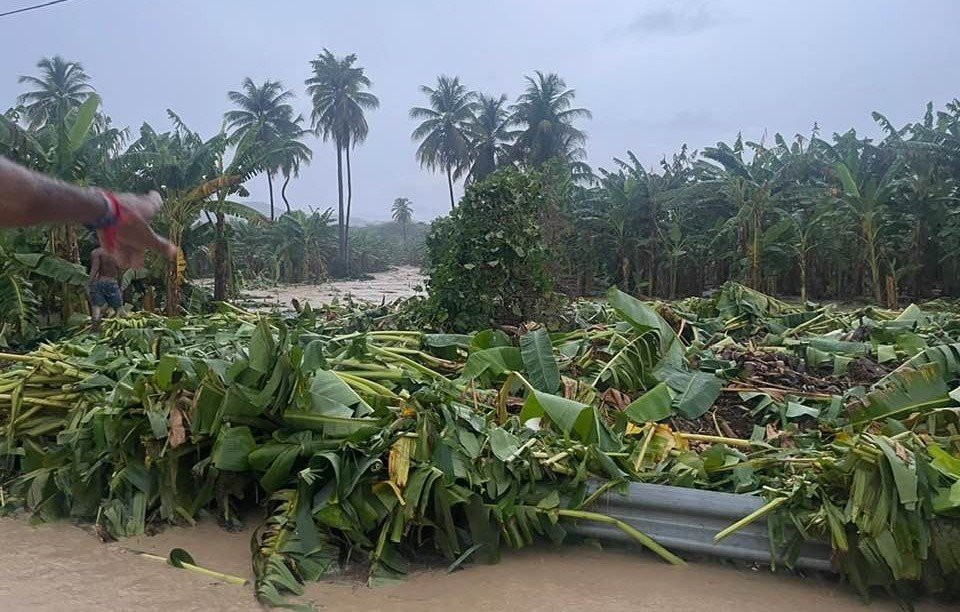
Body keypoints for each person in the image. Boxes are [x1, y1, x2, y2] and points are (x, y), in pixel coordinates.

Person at [0, 155, 175, 267]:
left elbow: (21, 200)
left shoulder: (98, 254)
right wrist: (109, 210)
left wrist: (108, 211)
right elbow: (21, 199)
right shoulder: (98, 254)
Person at [88, 246, 124, 329]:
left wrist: (89, 284)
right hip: (112, 282)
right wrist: (120, 286)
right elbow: (120, 271)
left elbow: (95, 269)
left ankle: (95, 329)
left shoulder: (96, 252)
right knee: (118, 308)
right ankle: (116, 329)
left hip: (99, 282)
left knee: (96, 307)